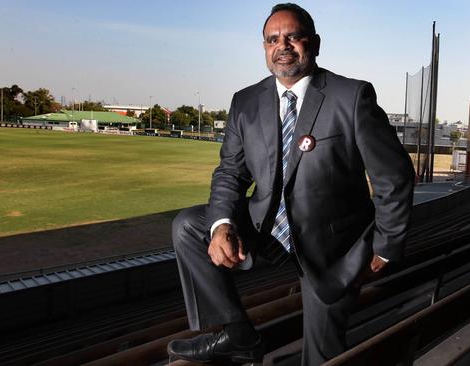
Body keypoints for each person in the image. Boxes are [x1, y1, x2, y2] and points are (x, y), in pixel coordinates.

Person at [167, 3, 414, 365]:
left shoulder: (352, 97)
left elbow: (394, 177)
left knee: (322, 357)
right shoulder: (245, 102)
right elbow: (230, 174)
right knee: (189, 226)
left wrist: (385, 248)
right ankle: (238, 334)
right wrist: (221, 225)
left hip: (332, 245)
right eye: (272, 39)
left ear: (314, 43)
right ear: (265, 48)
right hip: (266, 231)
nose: (282, 45)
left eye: (292, 36)